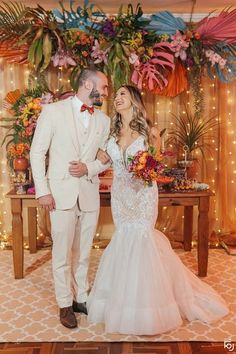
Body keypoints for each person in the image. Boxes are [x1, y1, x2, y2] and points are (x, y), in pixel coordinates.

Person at [87, 85, 229, 335]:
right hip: (121, 195)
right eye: (116, 95)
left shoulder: (150, 132)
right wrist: (84, 168)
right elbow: (102, 162)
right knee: (124, 238)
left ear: (134, 99)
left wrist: (145, 168)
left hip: (142, 193)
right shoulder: (110, 134)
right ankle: (123, 303)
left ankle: (149, 307)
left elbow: (156, 164)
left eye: (122, 94)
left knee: (142, 238)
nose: (117, 98)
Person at [30, 68, 111, 329]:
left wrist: (89, 168)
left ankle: (81, 297)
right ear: (88, 85)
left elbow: (105, 158)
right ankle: (64, 303)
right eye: (105, 87)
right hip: (60, 193)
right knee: (62, 253)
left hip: (88, 193)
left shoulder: (104, 120)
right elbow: (36, 152)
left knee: (84, 252)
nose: (107, 92)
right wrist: (43, 190)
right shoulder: (53, 112)